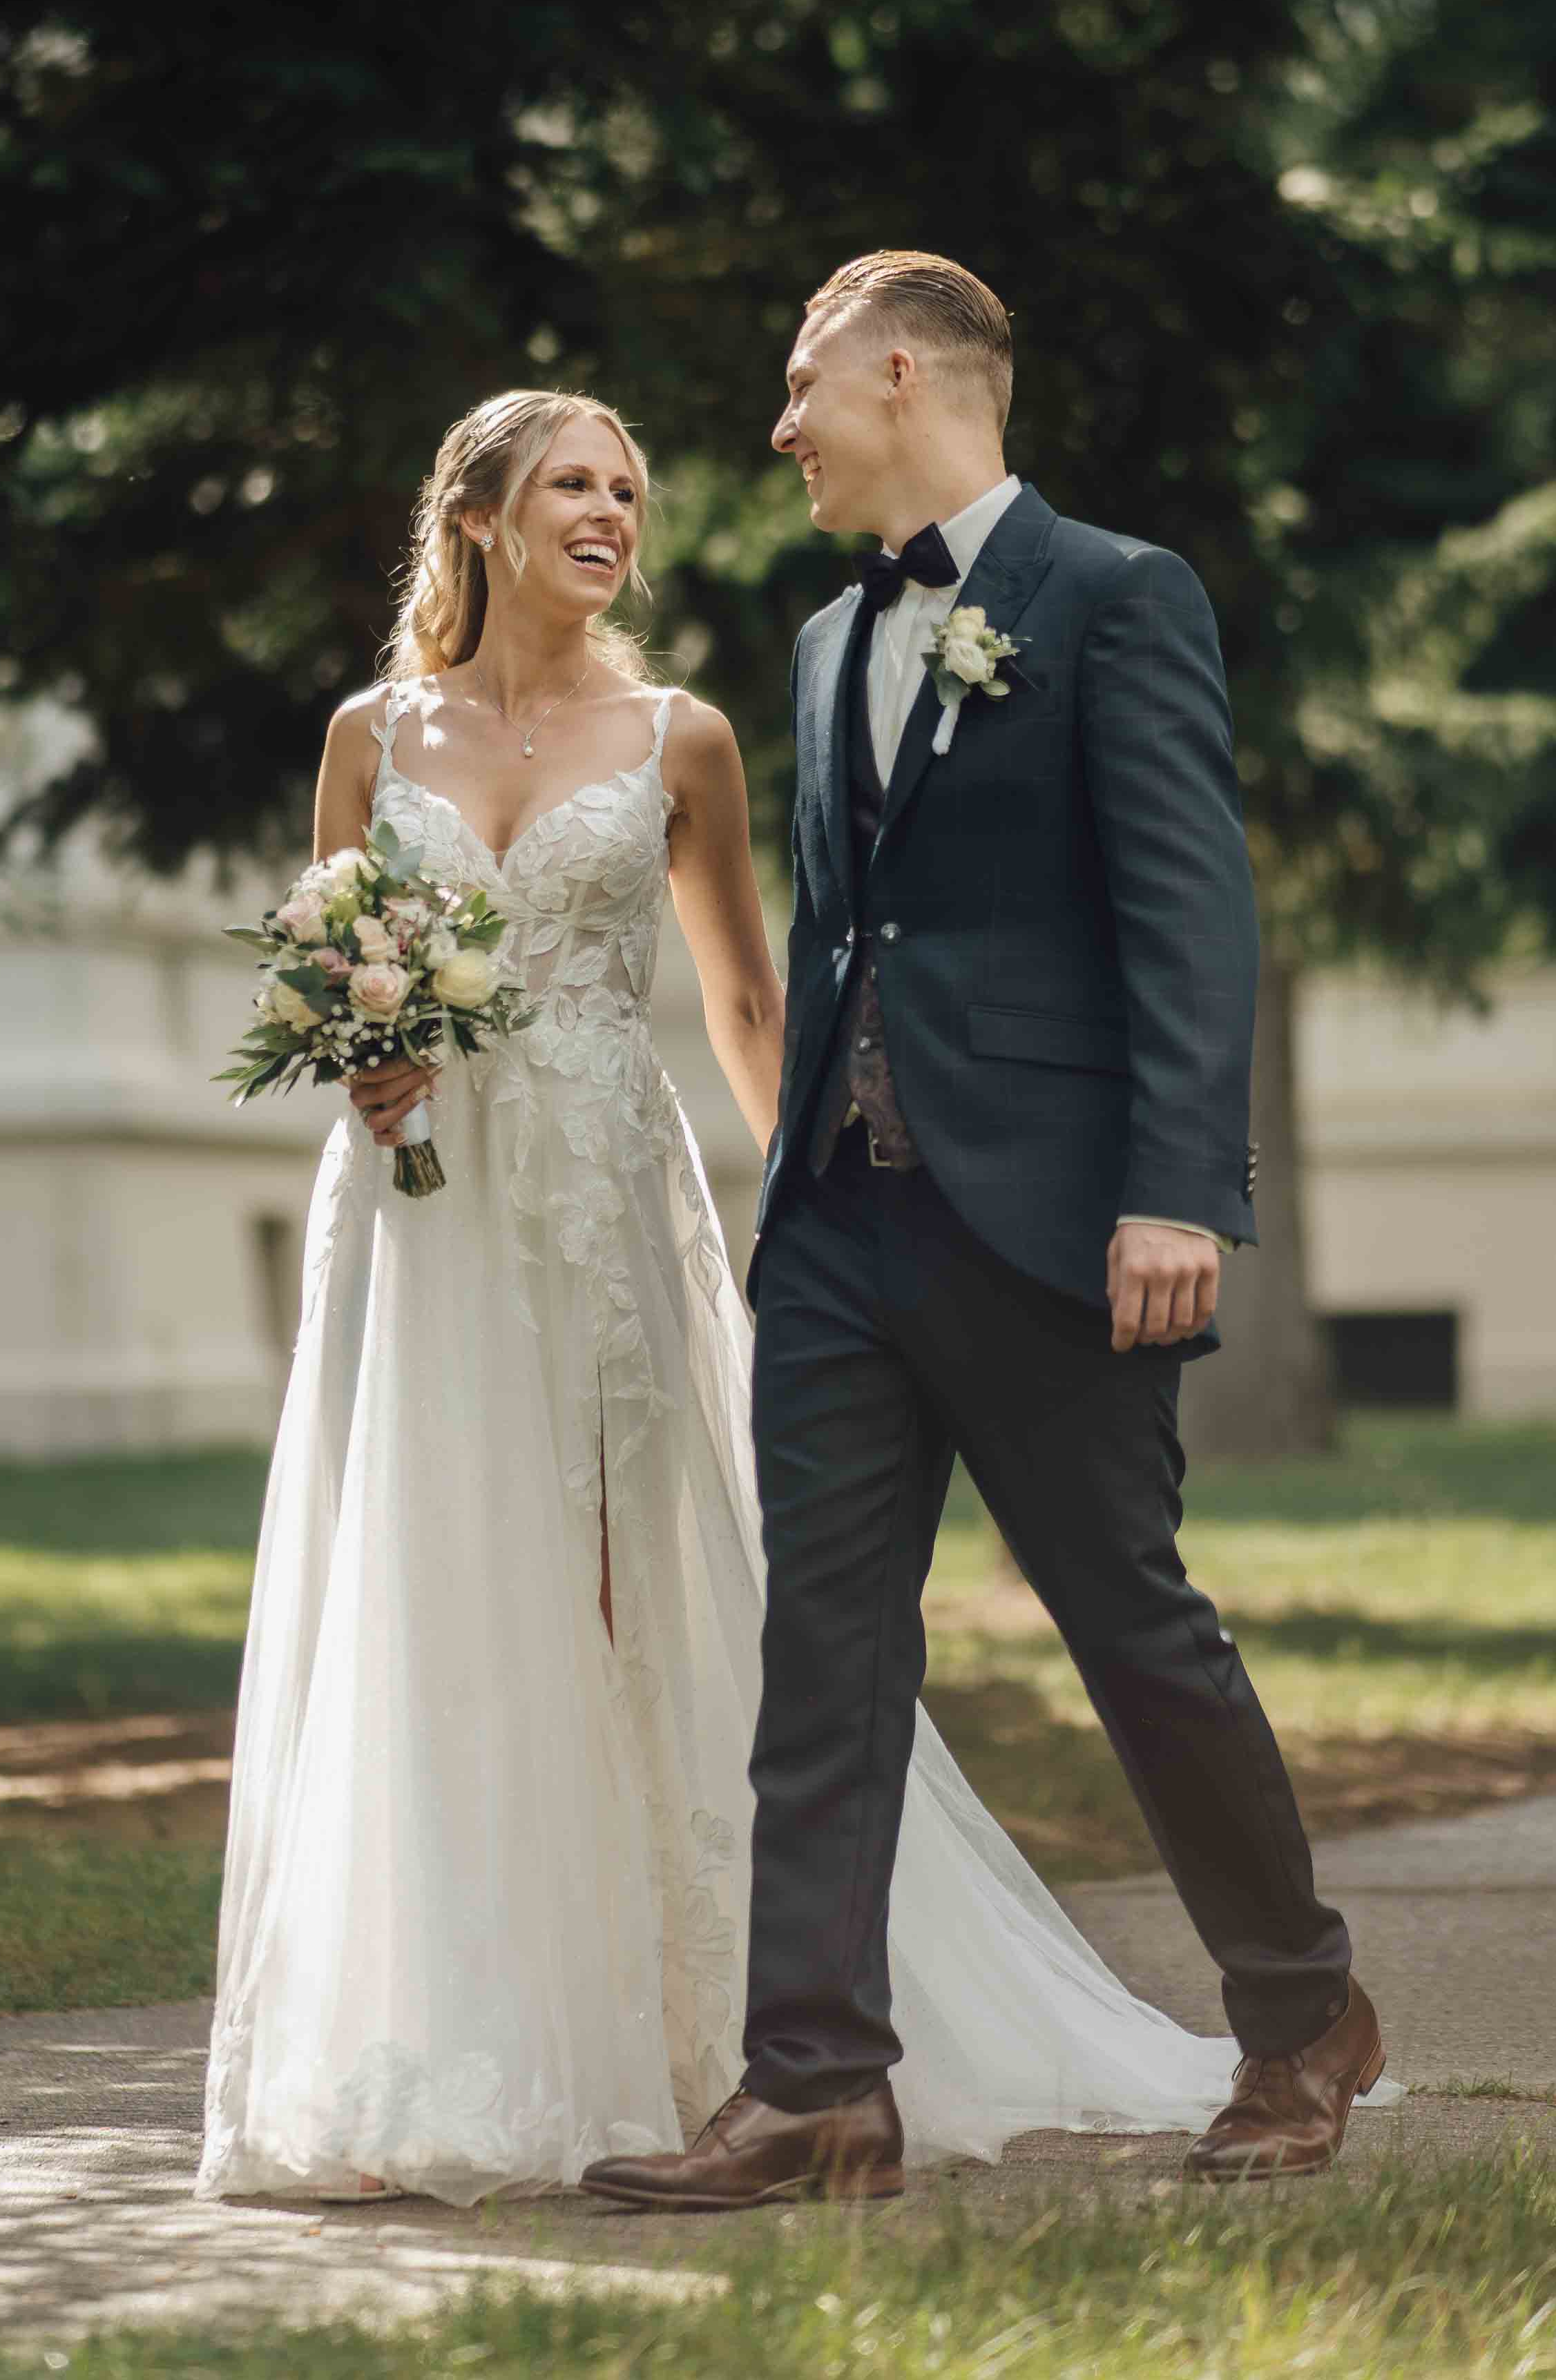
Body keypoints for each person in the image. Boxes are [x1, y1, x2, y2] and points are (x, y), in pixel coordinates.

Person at [196, 374, 1249, 2207]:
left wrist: (819, 1217)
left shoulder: (683, 735)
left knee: (638, 1578)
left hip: (608, 1190)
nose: (611, 514)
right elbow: (346, 954)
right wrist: (364, 1060)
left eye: (628, 489)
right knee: (433, 1573)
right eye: (573, 485)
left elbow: (758, 1001)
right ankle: (447, 2035)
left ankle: (704, 2035)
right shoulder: (370, 732)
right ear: (479, 516)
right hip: (422, 1211)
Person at [581, 254, 1383, 2215]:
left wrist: (1176, 1185)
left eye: (798, 389)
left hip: (1050, 1222)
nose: (773, 432)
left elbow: (1192, 912)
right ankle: (816, 2088)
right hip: (842, 1228)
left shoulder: (1116, 595)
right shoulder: (810, 640)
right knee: (823, 1658)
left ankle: (1297, 2018)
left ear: (904, 372)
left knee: (1134, 1633)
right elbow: (839, 940)